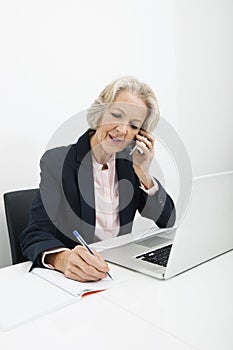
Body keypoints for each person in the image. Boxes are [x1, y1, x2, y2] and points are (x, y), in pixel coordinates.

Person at [19, 76, 176, 282]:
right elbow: (34, 232)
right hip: (78, 279)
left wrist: (144, 174)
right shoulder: (58, 162)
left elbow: (168, 220)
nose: (122, 130)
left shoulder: (130, 166)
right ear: (100, 113)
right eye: (117, 115)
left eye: (134, 125)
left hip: (120, 273)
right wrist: (62, 259)